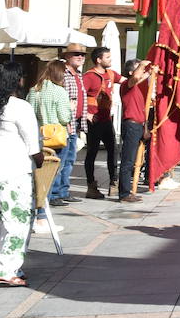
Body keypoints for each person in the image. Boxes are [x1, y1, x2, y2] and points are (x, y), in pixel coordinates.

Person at [0, 61, 41, 286]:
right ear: (18, 80)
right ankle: (6, 269)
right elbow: (34, 146)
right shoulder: (20, 107)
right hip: (13, 169)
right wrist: (40, 162)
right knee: (17, 220)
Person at [26, 59, 73, 207]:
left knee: (40, 170)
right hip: (57, 135)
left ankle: (39, 197)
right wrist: (71, 108)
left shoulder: (34, 90)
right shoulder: (59, 91)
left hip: (39, 135)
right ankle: (50, 197)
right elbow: (64, 117)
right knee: (55, 169)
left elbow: (29, 112)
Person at [48, 47, 88, 206]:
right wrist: (68, 123)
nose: (80, 57)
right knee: (61, 160)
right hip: (65, 124)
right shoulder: (62, 74)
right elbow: (61, 101)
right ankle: (55, 193)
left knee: (70, 160)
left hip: (74, 123)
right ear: (67, 56)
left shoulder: (78, 75)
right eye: (76, 54)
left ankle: (63, 191)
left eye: (83, 55)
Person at [81, 46, 121, 199]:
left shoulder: (111, 74)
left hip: (106, 120)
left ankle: (113, 183)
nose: (110, 60)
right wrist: (86, 114)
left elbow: (126, 81)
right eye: (108, 57)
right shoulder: (89, 76)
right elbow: (80, 95)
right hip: (95, 121)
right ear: (99, 60)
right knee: (92, 152)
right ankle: (91, 186)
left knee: (113, 151)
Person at [117, 60, 154, 203]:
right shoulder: (126, 85)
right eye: (138, 68)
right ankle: (124, 194)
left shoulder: (136, 88)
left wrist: (149, 72)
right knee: (128, 161)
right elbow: (138, 77)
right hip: (131, 125)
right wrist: (143, 64)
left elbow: (141, 77)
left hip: (138, 125)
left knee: (133, 160)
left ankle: (128, 191)